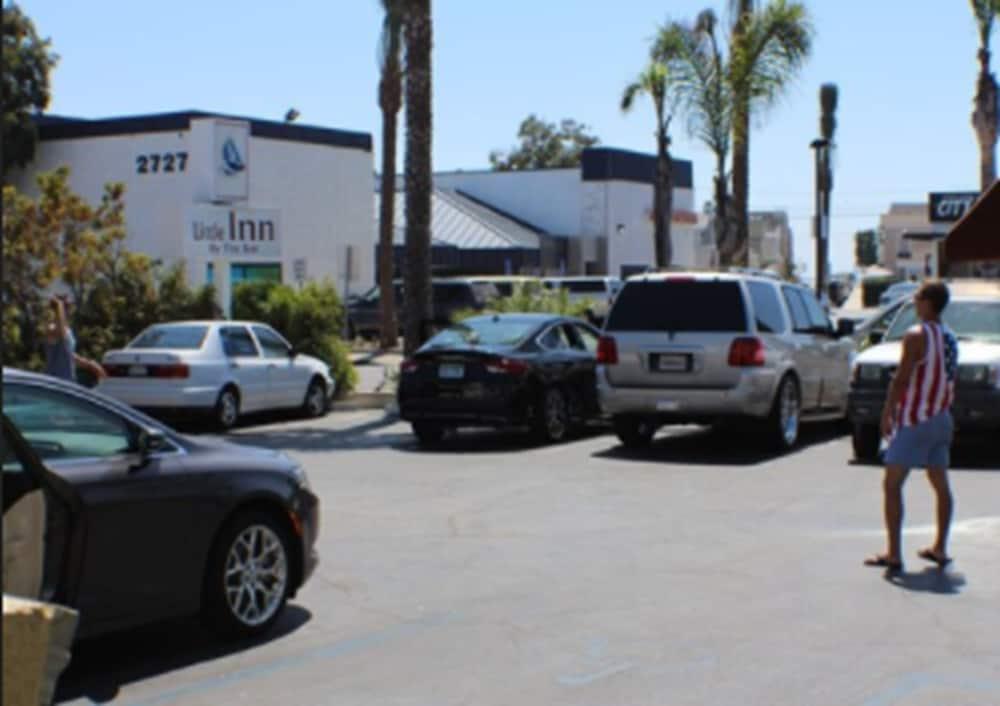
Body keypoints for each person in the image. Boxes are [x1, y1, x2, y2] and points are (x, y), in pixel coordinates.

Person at [864, 281, 958, 573]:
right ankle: (940, 546)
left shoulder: (917, 335)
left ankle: (893, 553)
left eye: (918, 298)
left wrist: (887, 412)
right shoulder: (949, 337)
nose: (915, 304)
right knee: (940, 484)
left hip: (916, 417)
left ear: (929, 303)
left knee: (892, 484)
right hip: (942, 417)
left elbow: (902, 378)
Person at [44, 296, 106, 383]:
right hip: (55, 382)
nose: (70, 311)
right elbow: (60, 333)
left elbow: (69, 354)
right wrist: (59, 306)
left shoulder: (68, 331)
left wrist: (90, 364)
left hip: (68, 381)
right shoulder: (52, 328)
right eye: (67, 307)